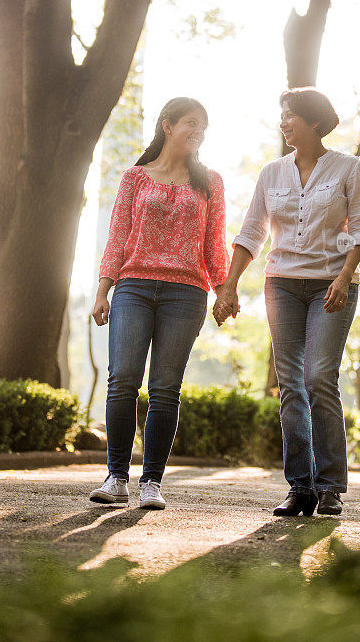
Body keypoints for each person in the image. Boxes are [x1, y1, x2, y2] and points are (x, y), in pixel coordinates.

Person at [214, 87, 360, 517]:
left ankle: (330, 487)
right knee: (291, 385)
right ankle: (299, 487)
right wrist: (229, 286)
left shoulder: (348, 168)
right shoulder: (272, 173)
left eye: (291, 116)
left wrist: (343, 277)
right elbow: (251, 233)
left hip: (330, 286)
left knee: (319, 376)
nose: (284, 123)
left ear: (315, 122)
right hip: (281, 285)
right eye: (282, 117)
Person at [90, 97, 229, 508]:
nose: (198, 132)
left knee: (165, 388)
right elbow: (117, 237)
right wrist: (103, 289)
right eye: (191, 123)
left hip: (186, 293)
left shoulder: (211, 182)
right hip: (133, 286)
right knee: (123, 380)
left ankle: (151, 482)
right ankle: (116, 477)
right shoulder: (135, 178)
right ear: (167, 125)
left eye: (203, 127)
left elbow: (213, 243)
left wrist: (225, 290)